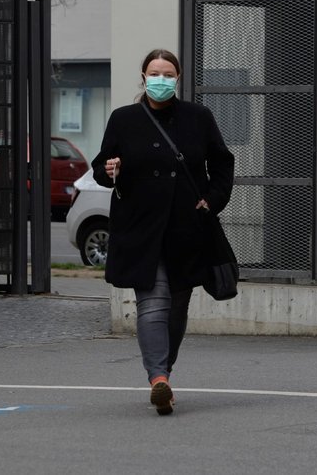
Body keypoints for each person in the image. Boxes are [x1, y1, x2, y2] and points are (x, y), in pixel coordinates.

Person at [91, 48, 234, 416]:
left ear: (178, 78)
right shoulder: (123, 119)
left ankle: (164, 374)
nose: (161, 79)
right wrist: (110, 168)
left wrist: (211, 200)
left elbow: (222, 162)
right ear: (143, 77)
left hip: (187, 228)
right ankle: (158, 378)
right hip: (141, 229)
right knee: (153, 303)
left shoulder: (198, 117)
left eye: (168, 73)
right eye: (154, 73)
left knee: (177, 308)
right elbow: (100, 168)